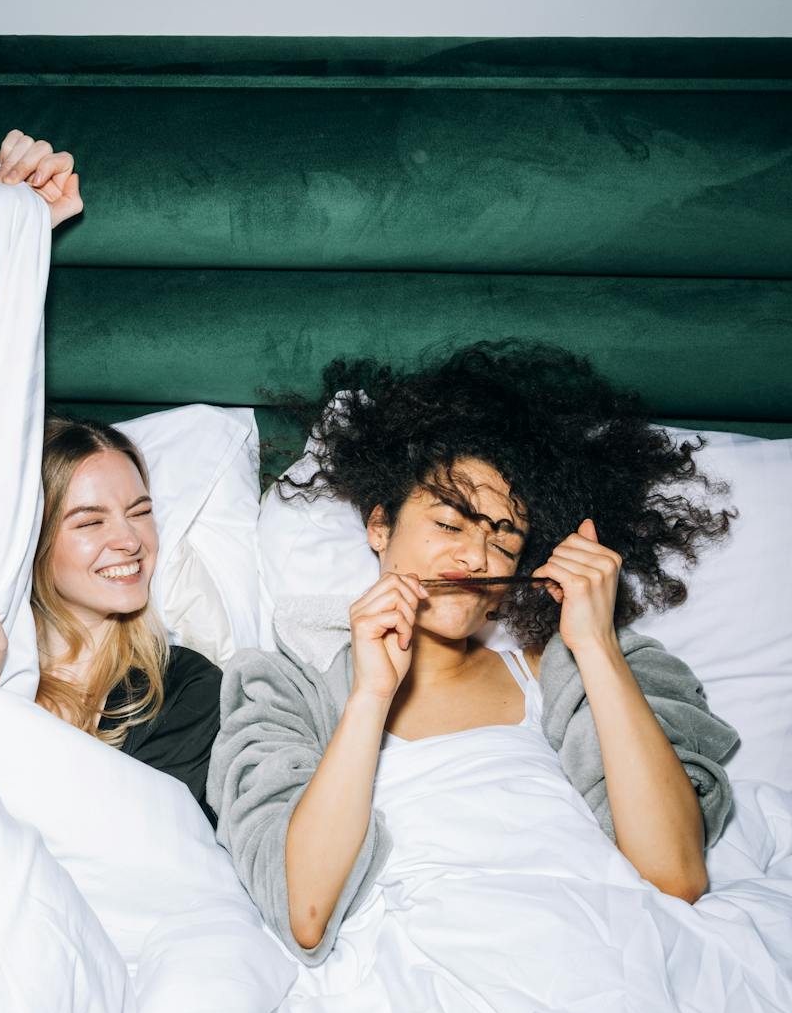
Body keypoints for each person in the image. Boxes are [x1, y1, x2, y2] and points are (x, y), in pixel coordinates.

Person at [208, 341, 741, 963]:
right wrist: (370, 696)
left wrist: (595, 645)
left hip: (598, 955)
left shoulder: (562, 671)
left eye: (504, 536)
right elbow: (305, 913)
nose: (475, 558)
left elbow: (675, 875)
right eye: (449, 524)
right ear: (380, 527)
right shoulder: (287, 692)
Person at [0, 132, 222, 822]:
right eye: (89, 519)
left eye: (139, 511)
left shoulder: (187, 687)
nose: (130, 539)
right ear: (34, 534)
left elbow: (121, 845)